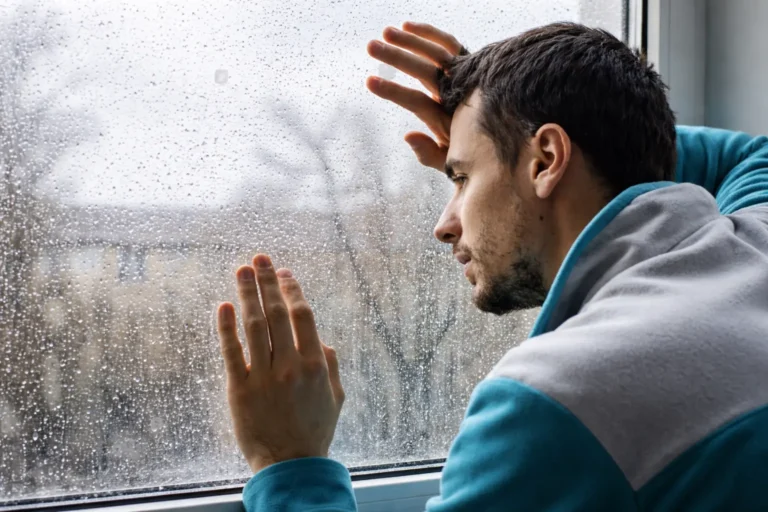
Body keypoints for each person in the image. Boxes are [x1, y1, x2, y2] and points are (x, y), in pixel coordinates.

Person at [215, 22, 768, 511]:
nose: (445, 223)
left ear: (546, 160)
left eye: (459, 177)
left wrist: (289, 465)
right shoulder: (756, 242)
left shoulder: (556, 401)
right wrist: (528, 129)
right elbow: (753, 155)